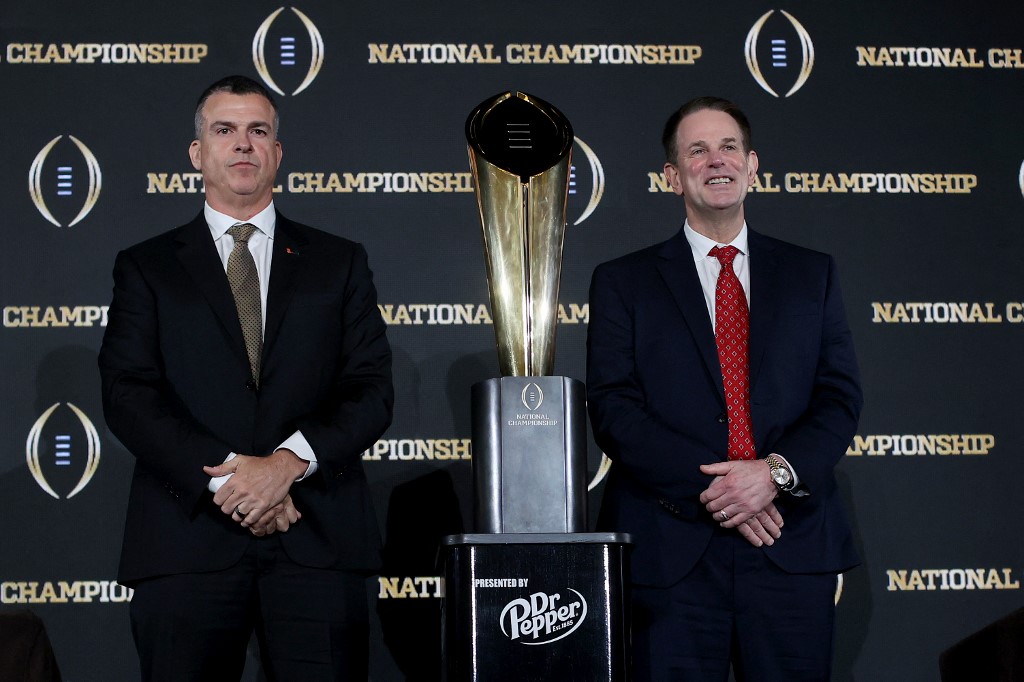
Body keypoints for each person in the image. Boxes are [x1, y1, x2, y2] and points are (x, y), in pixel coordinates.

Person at [98, 75, 393, 680]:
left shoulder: (339, 262)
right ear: (197, 152)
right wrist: (234, 481)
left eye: (258, 131)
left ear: (277, 154)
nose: (243, 145)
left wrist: (285, 465)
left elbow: (370, 389)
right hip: (188, 543)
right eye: (224, 130)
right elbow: (129, 394)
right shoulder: (146, 266)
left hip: (316, 541)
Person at [586, 96, 862, 681]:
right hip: (673, 549)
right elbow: (614, 407)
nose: (717, 161)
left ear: (753, 164)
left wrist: (773, 473)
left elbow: (839, 397)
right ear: (671, 176)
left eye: (729, 146)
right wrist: (727, 490)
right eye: (698, 150)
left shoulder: (812, 273)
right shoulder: (623, 282)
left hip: (790, 540)